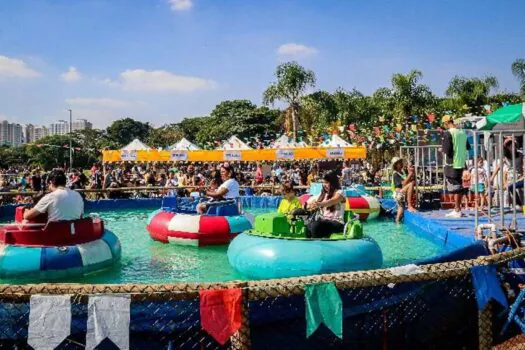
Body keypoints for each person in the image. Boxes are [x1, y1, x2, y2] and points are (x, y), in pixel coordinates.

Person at [441, 115, 470, 218]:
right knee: (458, 186)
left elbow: (447, 150)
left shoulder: (448, 133)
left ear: (446, 123)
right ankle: (457, 209)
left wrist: (442, 149)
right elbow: (467, 147)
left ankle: (457, 210)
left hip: (452, 163)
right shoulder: (462, 132)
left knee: (456, 187)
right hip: (461, 162)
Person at [306, 171, 346, 238]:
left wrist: (320, 204)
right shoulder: (323, 195)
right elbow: (310, 202)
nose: (324, 185)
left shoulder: (340, 193)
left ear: (333, 183)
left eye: (327, 182)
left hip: (337, 223)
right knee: (309, 224)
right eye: (323, 182)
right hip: (324, 221)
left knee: (317, 225)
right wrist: (309, 206)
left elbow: (331, 201)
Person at [391, 157, 416, 223]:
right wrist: (410, 174)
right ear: (395, 165)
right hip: (398, 194)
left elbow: (410, 180)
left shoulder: (402, 172)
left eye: (401, 162)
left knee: (400, 209)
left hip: (402, 193)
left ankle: (397, 221)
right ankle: (409, 206)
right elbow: (403, 184)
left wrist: (411, 172)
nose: (401, 163)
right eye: (399, 162)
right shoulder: (395, 174)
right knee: (410, 184)